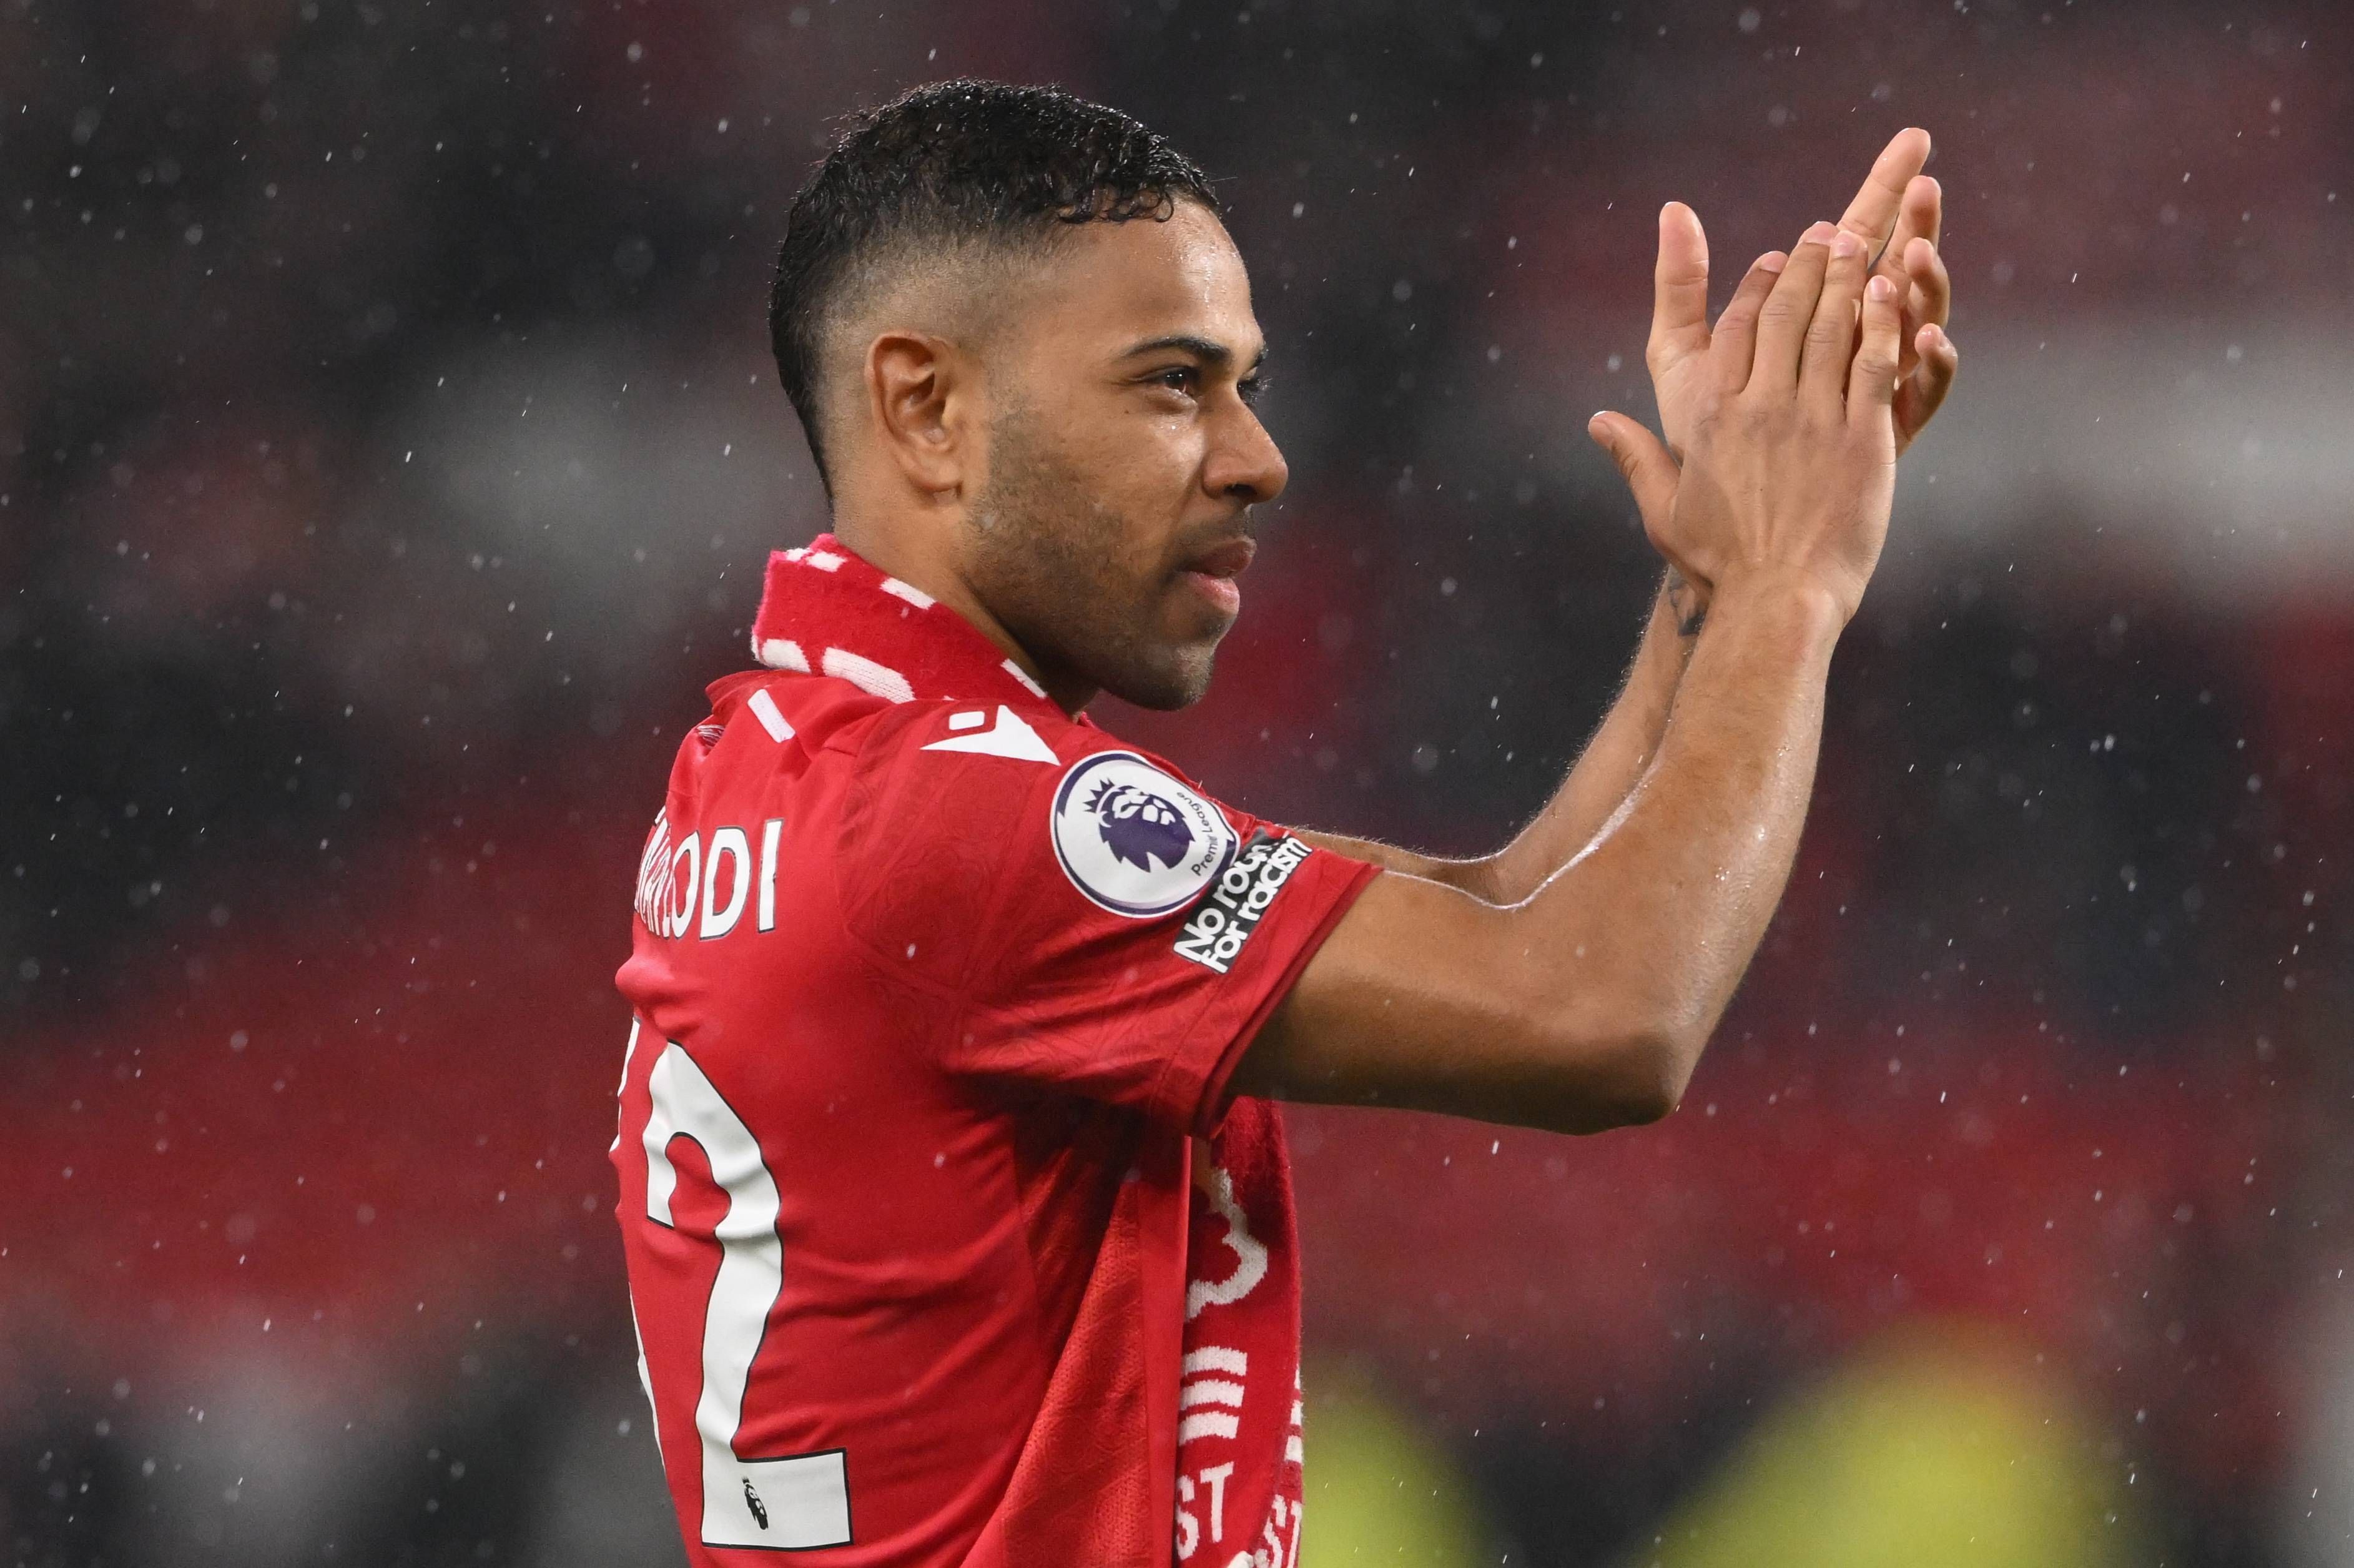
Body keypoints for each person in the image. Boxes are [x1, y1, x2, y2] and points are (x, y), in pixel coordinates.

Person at [610, 78, 1957, 1568]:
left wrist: (1708, 582)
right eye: (1171, 384)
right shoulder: (947, 819)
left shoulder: (803, 757)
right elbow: (1603, 1010)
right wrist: (1793, 586)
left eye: (1243, 382)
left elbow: (1509, 903)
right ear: (927, 407)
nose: (1257, 456)